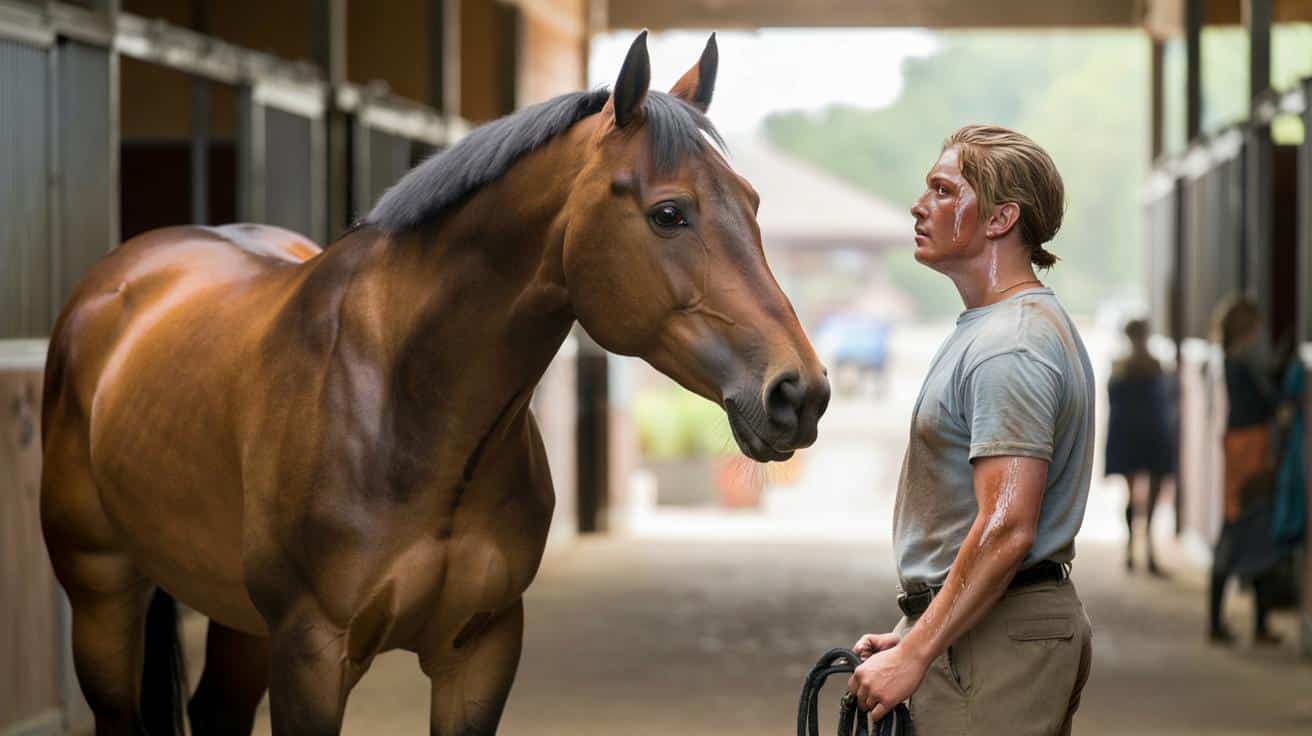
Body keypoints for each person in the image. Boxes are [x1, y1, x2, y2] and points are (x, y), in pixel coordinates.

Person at [847, 125, 1094, 734]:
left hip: (998, 638)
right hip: (987, 628)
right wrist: (918, 629)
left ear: (1001, 218)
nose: (919, 205)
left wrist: (917, 652)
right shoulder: (997, 327)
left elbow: (1007, 525)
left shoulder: (1010, 345)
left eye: (943, 190)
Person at [1208, 297, 1283, 645]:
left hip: (1241, 446)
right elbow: (1269, 402)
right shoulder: (1245, 360)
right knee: (1252, 524)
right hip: (1249, 448)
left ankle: (1224, 621)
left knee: (1240, 525)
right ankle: (1255, 624)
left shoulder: (1232, 359)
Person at [1104, 318, 1174, 574]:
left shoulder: (1121, 367)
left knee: (1133, 494)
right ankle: (1143, 548)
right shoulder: (1153, 366)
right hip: (1149, 434)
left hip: (1133, 435)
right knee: (1144, 494)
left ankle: (1134, 548)